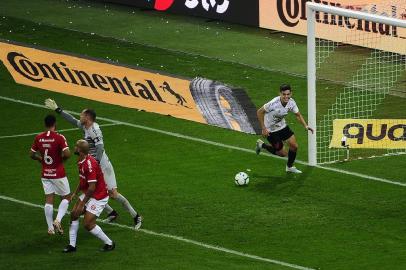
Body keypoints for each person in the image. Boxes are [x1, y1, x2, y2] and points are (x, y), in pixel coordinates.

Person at [44, 99, 142, 229]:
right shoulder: (86, 126)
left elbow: (100, 148)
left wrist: (97, 165)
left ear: (88, 117)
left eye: (82, 115)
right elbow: (73, 121)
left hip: (102, 165)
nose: (80, 117)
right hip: (94, 164)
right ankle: (112, 213)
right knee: (92, 192)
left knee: (113, 194)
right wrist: (58, 109)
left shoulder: (94, 129)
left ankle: (136, 216)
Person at [63, 139, 114, 253]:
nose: (74, 147)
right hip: (89, 193)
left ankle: (109, 243)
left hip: (98, 196)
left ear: (80, 150)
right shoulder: (81, 160)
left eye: (76, 146)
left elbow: (92, 187)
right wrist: (75, 193)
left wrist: (82, 203)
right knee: (74, 214)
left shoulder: (89, 165)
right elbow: (82, 180)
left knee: (87, 224)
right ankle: (72, 246)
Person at [255, 84, 314, 173]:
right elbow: (259, 112)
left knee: (294, 146)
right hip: (270, 130)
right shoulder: (273, 104)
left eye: (288, 94)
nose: (286, 96)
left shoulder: (291, 102)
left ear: (291, 94)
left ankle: (289, 167)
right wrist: (263, 128)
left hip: (282, 126)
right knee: (282, 153)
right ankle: (261, 145)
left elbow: (298, 115)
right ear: (280, 94)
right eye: (284, 94)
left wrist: (305, 125)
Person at [30, 114, 71, 235]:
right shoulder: (59, 137)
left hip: (45, 173)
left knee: (49, 200)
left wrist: (40, 159)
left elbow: (31, 155)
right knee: (67, 197)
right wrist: (61, 159)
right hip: (58, 173)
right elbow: (68, 153)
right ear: (55, 124)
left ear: (45, 124)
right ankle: (57, 220)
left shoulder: (38, 137)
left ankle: (50, 228)